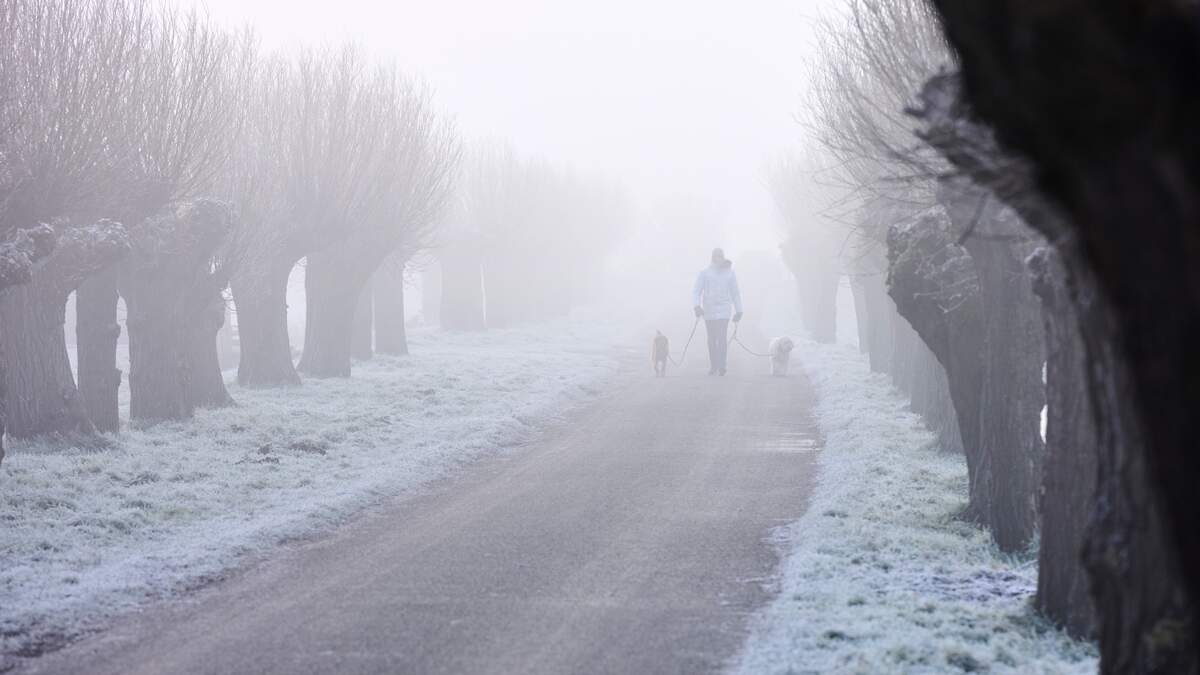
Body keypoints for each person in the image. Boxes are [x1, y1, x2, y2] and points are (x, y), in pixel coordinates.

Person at [692, 248, 743, 376]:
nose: (718, 259)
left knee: (721, 338)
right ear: (712, 258)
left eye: (720, 256)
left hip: (724, 310)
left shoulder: (730, 273)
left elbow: (735, 293)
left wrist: (739, 310)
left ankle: (722, 365)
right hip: (709, 311)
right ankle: (713, 365)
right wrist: (697, 306)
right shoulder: (704, 273)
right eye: (716, 256)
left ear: (723, 257)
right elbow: (696, 291)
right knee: (711, 339)